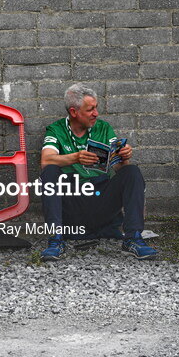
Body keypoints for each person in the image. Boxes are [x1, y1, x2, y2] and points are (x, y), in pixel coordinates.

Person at [38, 83, 158, 262]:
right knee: (50, 172)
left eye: (96, 108)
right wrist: (76, 157)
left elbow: (118, 168)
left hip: (101, 197)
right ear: (73, 112)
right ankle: (56, 240)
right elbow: (46, 160)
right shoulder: (56, 130)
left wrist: (124, 156)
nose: (96, 113)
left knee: (131, 171)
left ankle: (133, 239)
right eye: (90, 109)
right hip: (73, 201)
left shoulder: (103, 128)